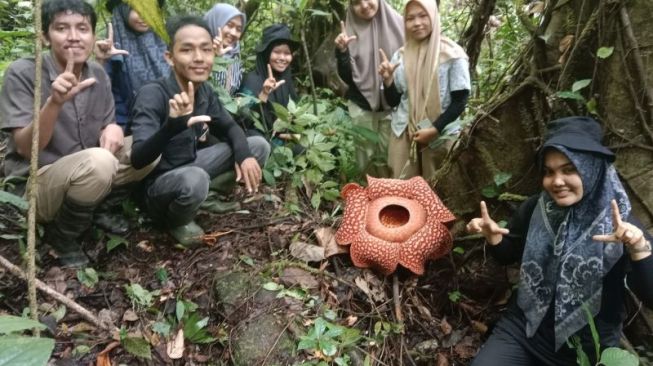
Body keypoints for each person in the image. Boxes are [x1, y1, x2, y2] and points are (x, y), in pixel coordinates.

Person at [465, 116, 653, 365]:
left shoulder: (622, 224)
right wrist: (494, 239)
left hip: (585, 348)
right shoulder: (537, 208)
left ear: (591, 168)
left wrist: (638, 249)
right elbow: (507, 255)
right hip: (524, 329)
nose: (557, 181)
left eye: (569, 169)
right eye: (549, 172)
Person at [0, 0, 156, 266]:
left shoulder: (97, 72)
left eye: (82, 28)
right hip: (37, 184)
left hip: (86, 171)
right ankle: (62, 236)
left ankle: (97, 209)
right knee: (99, 162)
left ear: (93, 36)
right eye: (62, 28)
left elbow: (108, 123)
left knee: (149, 148)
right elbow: (28, 150)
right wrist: (54, 102)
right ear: (45, 37)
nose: (73, 37)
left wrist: (114, 127)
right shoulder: (24, 73)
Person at [129, 16, 270, 247]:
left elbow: (230, 126)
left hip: (192, 164)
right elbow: (138, 160)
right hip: (157, 186)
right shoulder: (153, 94)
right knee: (196, 179)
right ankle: (177, 221)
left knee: (257, 146)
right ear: (170, 58)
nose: (198, 58)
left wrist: (244, 156)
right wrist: (172, 126)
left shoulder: (204, 91)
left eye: (206, 50)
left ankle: (205, 197)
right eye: (187, 50)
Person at [379, 0, 470, 180]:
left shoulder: (452, 54)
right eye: (410, 18)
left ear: (434, 16)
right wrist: (388, 81)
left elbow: (460, 100)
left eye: (423, 16)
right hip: (404, 132)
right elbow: (394, 101)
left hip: (441, 134)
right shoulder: (401, 55)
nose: (417, 23)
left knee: (438, 187)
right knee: (401, 187)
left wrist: (435, 129)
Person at [334, 0, 404, 177]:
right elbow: (348, 78)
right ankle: (368, 198)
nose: (364, 6)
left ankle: (391, 199)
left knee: (391, 157)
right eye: (356, 2)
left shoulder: (401, 24)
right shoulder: (348, 31)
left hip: (393, 103)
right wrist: (342, 52)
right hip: (361, 104)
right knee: (365, 158)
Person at [95, 0, 169, 128]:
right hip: (129, 125)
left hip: (171, 119)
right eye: (138, 10)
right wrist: (101, 62)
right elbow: (102, 94)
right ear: (124, 10)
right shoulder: (111, 47)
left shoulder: (168, 41)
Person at [238, 24, 301, 148]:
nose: (282, 58)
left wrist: (295, 135)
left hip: (284, 139)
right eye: (277, 52)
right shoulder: (252, 80)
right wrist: (264, 93)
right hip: (260, 143)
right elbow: (243, 122)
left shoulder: (285, 80)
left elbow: (292, 119)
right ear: (266, 54)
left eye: (287, 53)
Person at [204, 3, 246, 97]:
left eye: (238, 29)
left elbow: (229, 92)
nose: (234, 33)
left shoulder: (235, 55)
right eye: (229, 25)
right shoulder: (196, 49)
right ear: (216, 22)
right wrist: (214, 58)